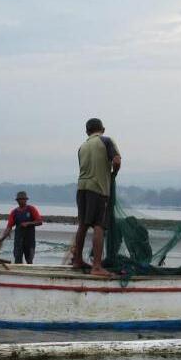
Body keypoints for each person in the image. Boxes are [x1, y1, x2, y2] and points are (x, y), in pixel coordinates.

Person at [73, 118, 121, 277]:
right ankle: (97, 267)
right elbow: (117, 160)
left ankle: (77, 260)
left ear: (87, 132)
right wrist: (114, 173)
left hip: (81, 188)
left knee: (83, 225)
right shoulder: (106, 140)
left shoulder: (82, 147)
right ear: (103, 129)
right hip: (98, 189)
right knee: (99, 226)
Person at [1, 192, 43, 264]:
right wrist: (2, 238)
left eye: (23, 199)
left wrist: (28, 223)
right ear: (17, 201)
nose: (21, 201)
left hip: (29, 240)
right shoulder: (14, 212)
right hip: (18, 240)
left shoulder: (31, 209)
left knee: (29, 260)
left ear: (26, 200)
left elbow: (39, 222)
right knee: (17, 260)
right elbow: (9, 226)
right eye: (20, 199)